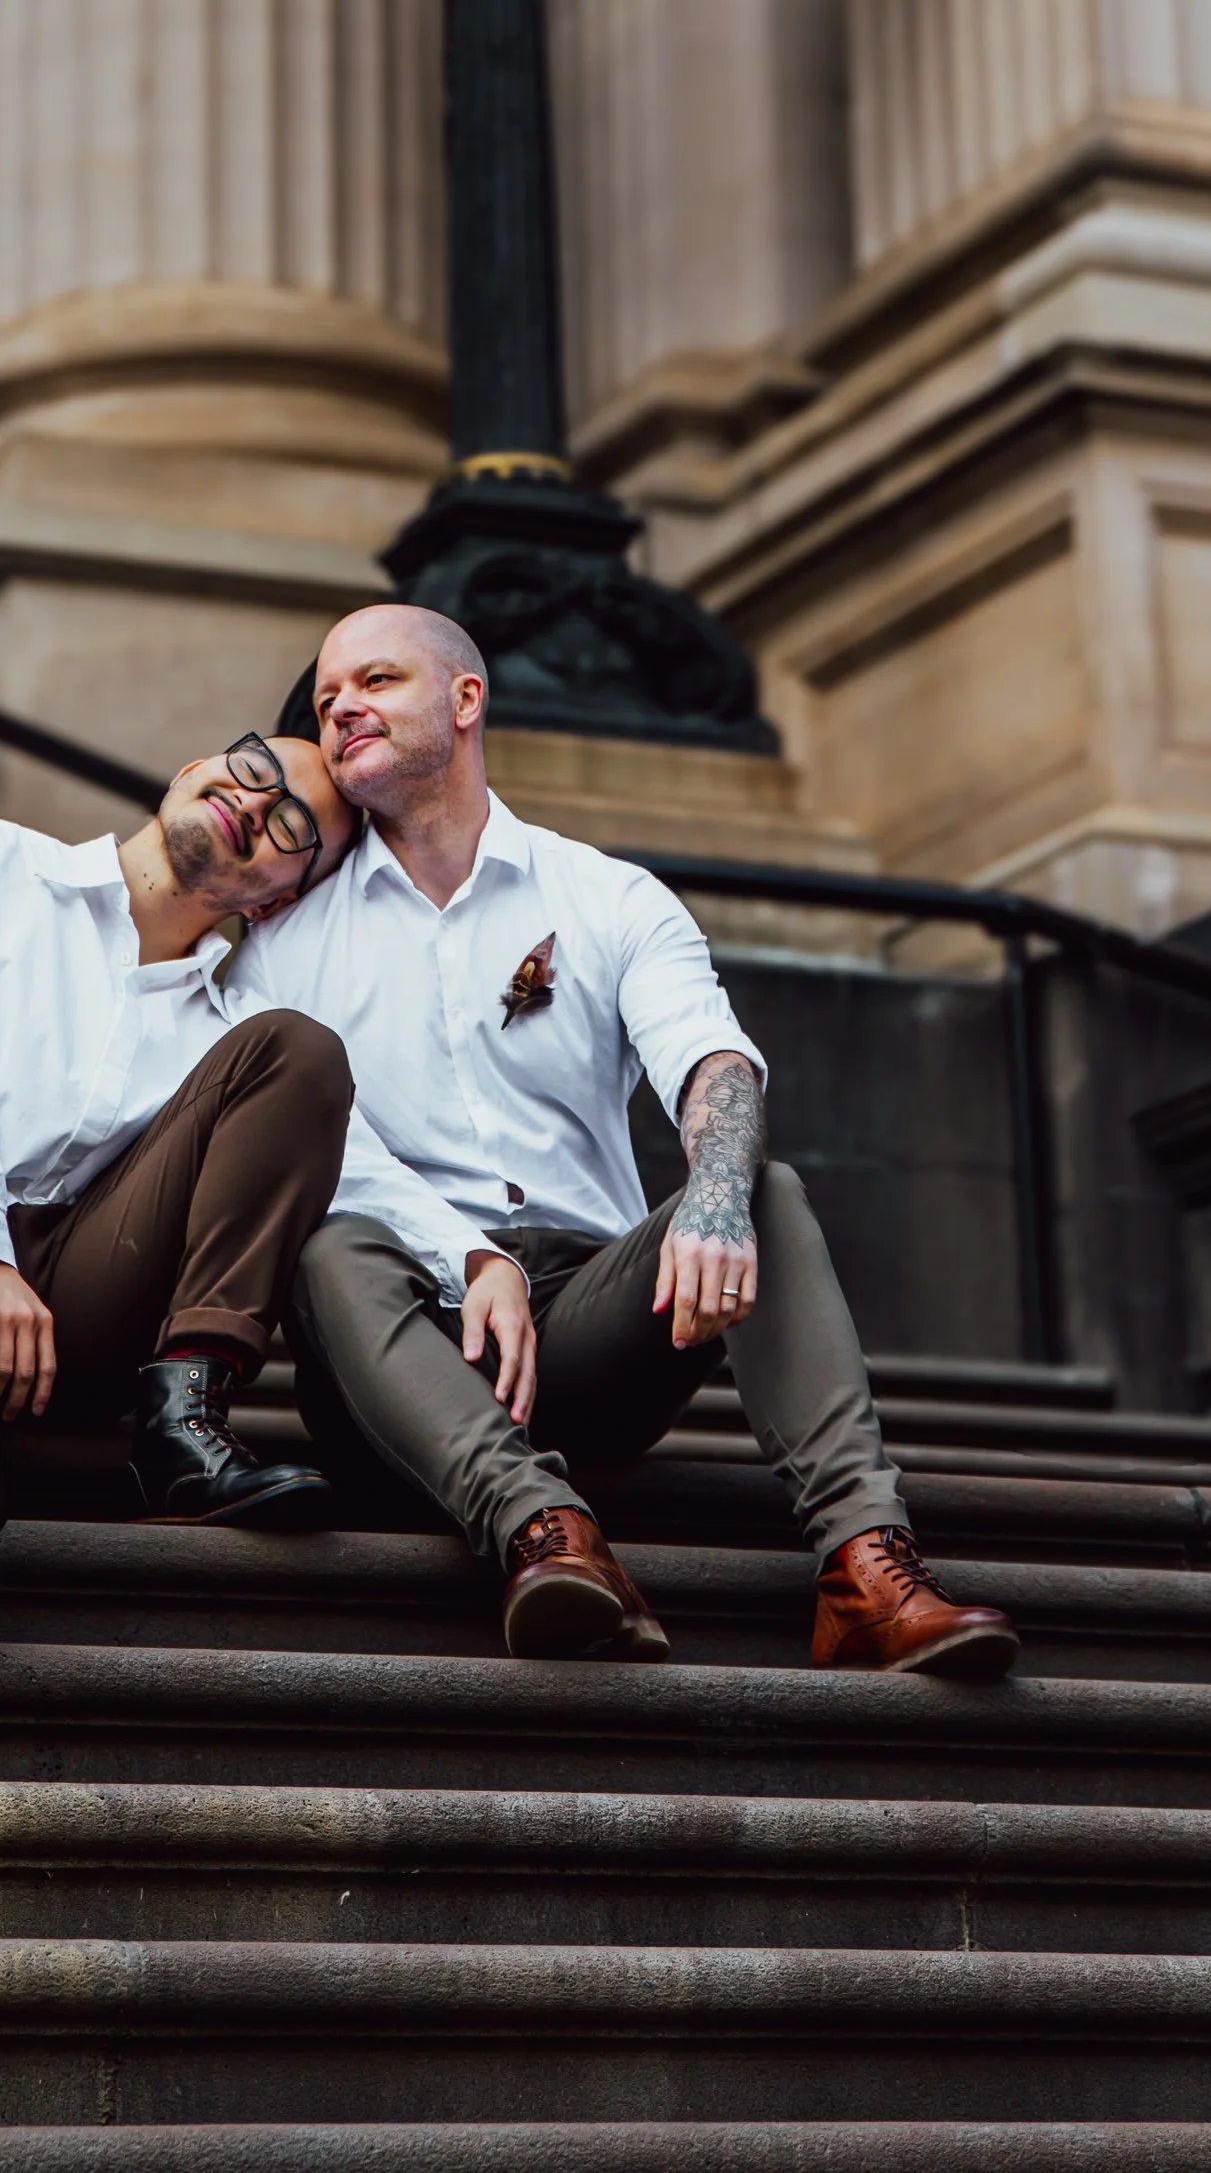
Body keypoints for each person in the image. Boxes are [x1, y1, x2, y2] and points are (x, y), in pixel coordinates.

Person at [250, 602, 1020, 1678]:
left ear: (466, 701)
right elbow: (302, 1154)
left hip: (579, 1331)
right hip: (393, 1343)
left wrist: (713, 1195)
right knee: (331, 1244)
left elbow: (713, 1060)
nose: (341, 710)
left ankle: (864, 1569)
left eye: (375, 681)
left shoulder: (606, 896)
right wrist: (465, 1255)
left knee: (764, 1187)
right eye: (329, 697)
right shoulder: (283, 938)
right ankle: (544, 1533)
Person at [0, 729, 365, 1642]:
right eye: (254, 771)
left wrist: (483, 1260)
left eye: (293, 823)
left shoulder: (234, 1031)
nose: (255, 803)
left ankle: (184, 1418)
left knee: (303, 1051)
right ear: (191, 768)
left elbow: (367, 1169)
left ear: (288, 896)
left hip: (70, 1327)